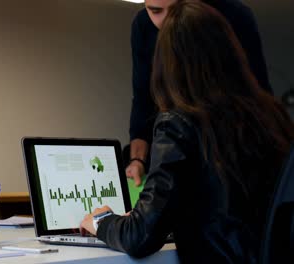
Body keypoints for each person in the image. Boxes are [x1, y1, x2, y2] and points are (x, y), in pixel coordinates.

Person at [80, 1, 294, 262]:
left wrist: (101, 220)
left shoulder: (178, 125)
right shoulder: (272, 118)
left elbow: (140, 237)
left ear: (167, 61)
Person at [126, 0, 273, 187]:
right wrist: (137, 160)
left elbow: (259, 94)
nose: (169, 22)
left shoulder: (234, 15)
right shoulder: (143, 27)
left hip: (235, 153)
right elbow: (142, 99)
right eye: (155, 11)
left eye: (177, 11)